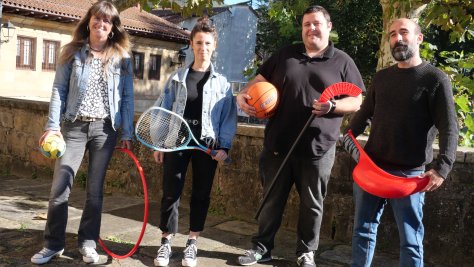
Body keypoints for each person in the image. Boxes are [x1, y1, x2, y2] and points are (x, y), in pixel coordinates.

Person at [236, 5, 365, 267]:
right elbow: (256, 80)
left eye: (316, 23)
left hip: (319, 148)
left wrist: (332, 107)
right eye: (306, 24)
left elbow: (357, 100)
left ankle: (306, 252)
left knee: (312, 205)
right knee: (271, 199)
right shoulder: (285, 55)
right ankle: (261, 248)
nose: (311, 29)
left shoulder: (342, 61)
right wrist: (242, 96)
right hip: (278, 145)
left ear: (329, 27)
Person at [348, 18, 458, 267]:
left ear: (418, 38)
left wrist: (442, 167)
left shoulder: (435, 79)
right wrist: (349, 139)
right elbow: (362, 117)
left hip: (409, 175)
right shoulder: (381, 78)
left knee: (411, 240)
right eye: (392, 34)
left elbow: (450, 127)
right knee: (362, 232)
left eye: (404, 32)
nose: (397, 38)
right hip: (372, 169)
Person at [30, 1, 134, 264]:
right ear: (89, 21)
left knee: (95, 190)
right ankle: (53, 244)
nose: (101, 24)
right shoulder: (72, 52)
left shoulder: (122, 57)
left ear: (112, 28)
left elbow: (127, 96)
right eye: (97, 19)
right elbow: (58, 91)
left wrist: (126, 134)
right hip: (73, 127)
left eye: (107, 21)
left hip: (105, 130)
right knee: (60, 189)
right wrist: (52, 127)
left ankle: (88, 243)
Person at [151, 17, 237, 267]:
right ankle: (166, 244)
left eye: (207, 43)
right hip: (177, 140)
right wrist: (159, 142)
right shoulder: (177, 78)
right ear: (191, 44)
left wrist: (224, 147)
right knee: (171, 192)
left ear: (214, 46)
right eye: (198, 42)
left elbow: (228, 118)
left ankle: (192, 243)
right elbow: (163, 109)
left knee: (201, 194)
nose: (203, 47)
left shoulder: (222, 84)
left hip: (207, 145)